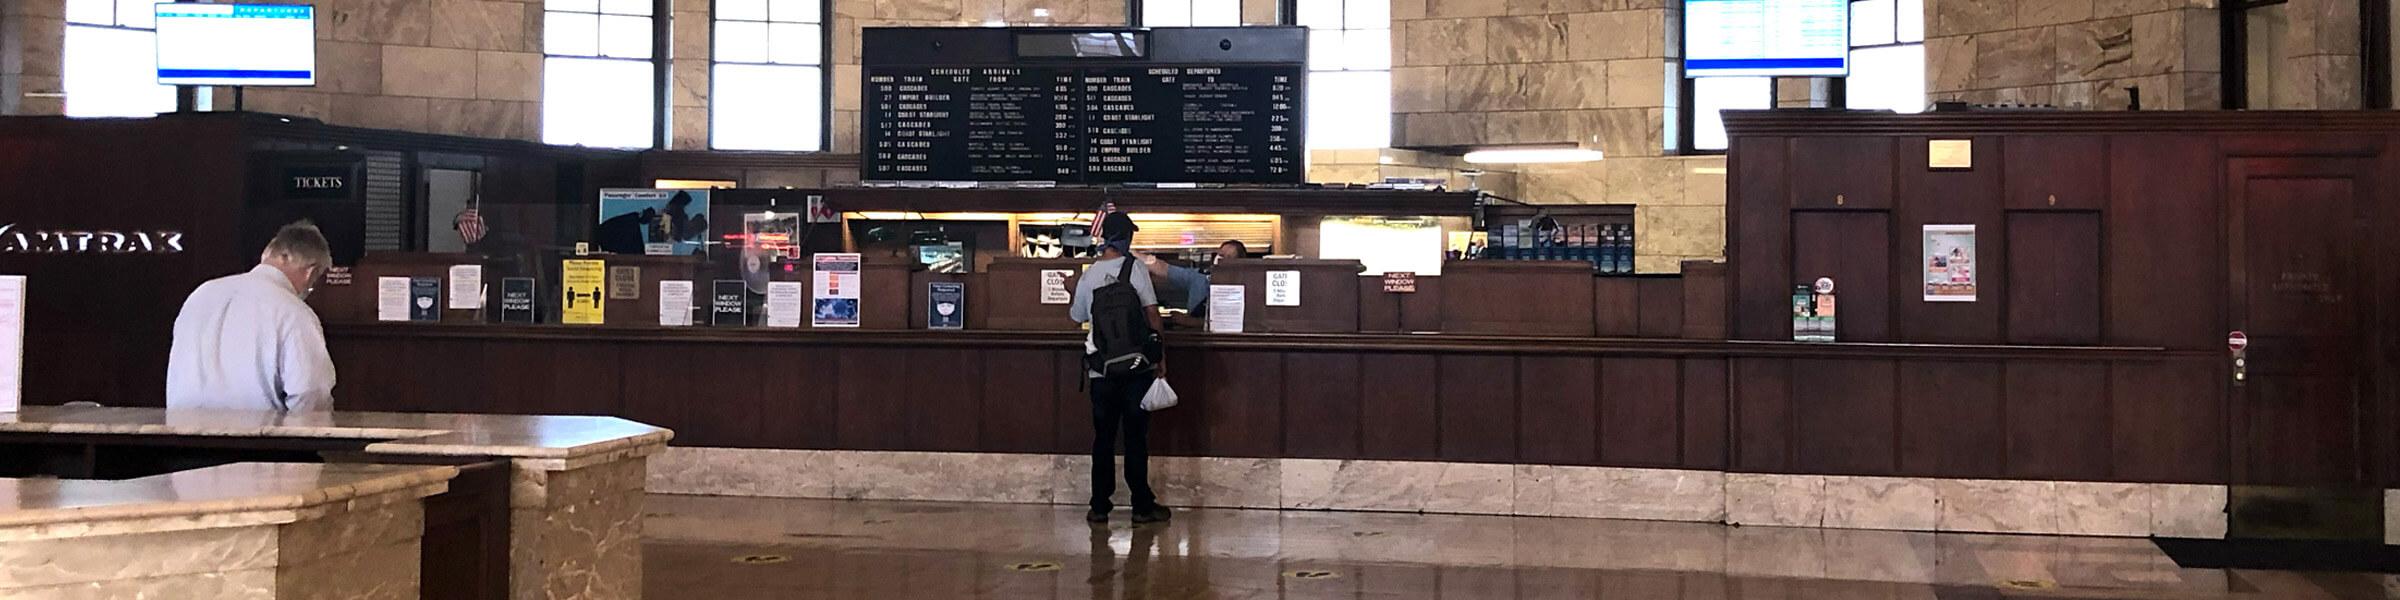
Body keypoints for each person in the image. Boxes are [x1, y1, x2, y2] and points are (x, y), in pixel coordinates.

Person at [165, 220, 337, 412]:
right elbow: (310, 393)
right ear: (310, 272)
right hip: (256, 438)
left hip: (182, 433)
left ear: (266, 254)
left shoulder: (200, 295)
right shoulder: (295, 312)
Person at [1069, 211, 1170, 525]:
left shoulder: (1089, 274)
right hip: (1137, 367)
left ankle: (1100, 506)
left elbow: (1076, 317)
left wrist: (1073, 288)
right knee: (1136, 437)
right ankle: (1141, 506)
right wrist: (1160, 357)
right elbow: (1152, 314)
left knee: (1103, 438)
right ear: (1127, 238)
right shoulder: (1135, 268)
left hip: (1101, 371)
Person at [1142, 239, 1247, 319]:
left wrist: (1187, 321)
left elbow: (1224, 321)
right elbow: (1162, 268)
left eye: (1228, 257)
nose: (1221, 259)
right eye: (1220, 255)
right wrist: (1133, 254)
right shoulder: (1199, 278)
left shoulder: (1244, 288)